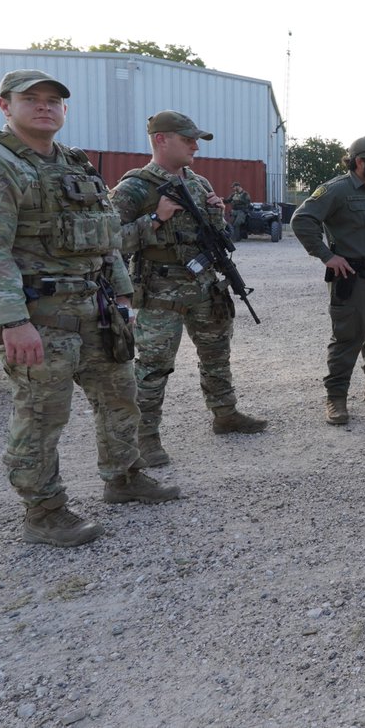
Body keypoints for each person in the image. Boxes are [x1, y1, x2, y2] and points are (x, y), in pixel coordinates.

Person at [0, 70, 180, 547]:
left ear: (64, 110)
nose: (44, 106)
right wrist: (11, 322)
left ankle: (124, 477)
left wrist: (121, 296)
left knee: (120, 396)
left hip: (96, 310)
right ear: (4, 105)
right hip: (39, 316)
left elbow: (108, 236)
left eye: (53, 100)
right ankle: (44, 511)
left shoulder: (75, 164)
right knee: (42, 414)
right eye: (30, 99)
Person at [109, 111, 268, 467]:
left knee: (216, 354)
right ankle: (145, 438)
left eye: (196, 140)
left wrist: (217, 213)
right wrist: (155, 218)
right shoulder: (135, 186)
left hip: (205, 287)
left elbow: (217, 236)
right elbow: (109, 240)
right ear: (161, 139)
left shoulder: (198, 183)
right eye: (188, 139)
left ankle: (225, 414)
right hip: (160, 291)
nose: (195, 146)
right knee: (153, 366)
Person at [291, 136, 365, 425]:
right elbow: (301, 220)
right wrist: (326, 255)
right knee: (348, 338)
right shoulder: (337, 190)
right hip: (353, 278)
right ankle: (336, 398)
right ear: (360, 162)